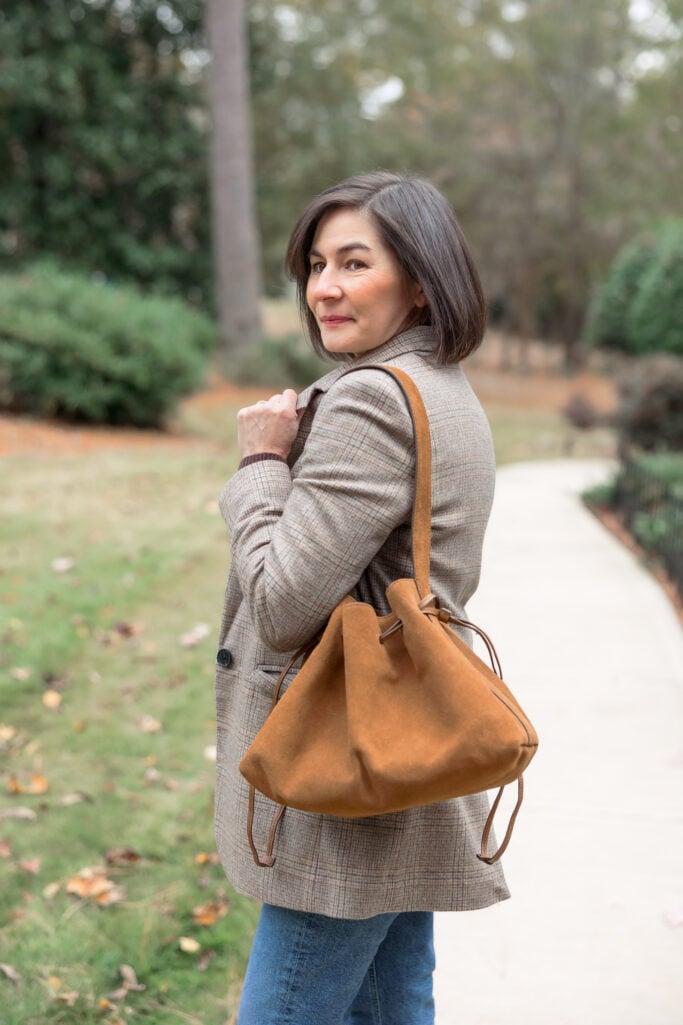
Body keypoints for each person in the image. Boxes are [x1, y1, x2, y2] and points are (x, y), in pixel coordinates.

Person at [214, 171, 509, 1025]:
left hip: (344, 758)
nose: (324, 288)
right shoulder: (440, 387)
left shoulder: (371, 402)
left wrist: (261, 462)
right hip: (401, 745)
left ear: (419, 280)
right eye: (314, 264)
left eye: (354, 262)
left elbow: (281, 604)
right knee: (390, 1006)